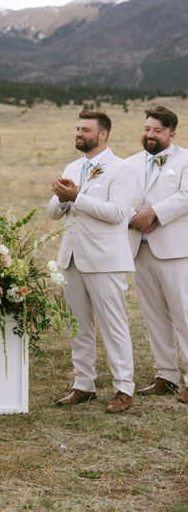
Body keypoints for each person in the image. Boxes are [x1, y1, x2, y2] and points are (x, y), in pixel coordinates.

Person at [48, 110, 136, 413]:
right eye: (78, 128)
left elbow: (117, 213)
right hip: (72, 257)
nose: (79, 133)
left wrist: (76, 197)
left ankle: (124, 388)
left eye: (85, 129)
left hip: (105, 260)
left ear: (103, 134)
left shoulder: (121, 169)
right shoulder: (73, 166)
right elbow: (53, 212)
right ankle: (84, 384)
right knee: (78, 325)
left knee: (113, 325)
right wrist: (61, 198)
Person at [126, 106, 188, 403]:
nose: (150, 135)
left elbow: (186, 197)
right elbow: (119, 198)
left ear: (171, 135)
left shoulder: (185, 160)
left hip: (175, 251)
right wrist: (134, 216)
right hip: (139, 248)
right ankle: (166, 375)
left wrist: (153, 213)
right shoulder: (129, 164)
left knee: (184, 315)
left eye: (157, 131)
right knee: (153, 315)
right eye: (147, 129)